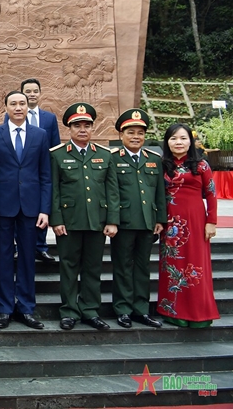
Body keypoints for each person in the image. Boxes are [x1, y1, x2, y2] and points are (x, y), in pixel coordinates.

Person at [50, 103, 119, 331]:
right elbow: (54, 190)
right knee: (68, 267)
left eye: (87, 126)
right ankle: (69, 311)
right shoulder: (58, 155)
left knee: (93, 268)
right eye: (77, 126)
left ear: (93, 128)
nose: (82, 130)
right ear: (69, 129)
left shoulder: (104, 155)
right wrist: (56, 220)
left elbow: (112, 190)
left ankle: (90, 310)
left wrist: (112, 220)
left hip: (97, 222)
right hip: (69, 222)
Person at [0, 91, 50, 330]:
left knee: (27, 259)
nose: (19, 107)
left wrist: (45, 209)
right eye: (14, 104)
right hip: (3, 205)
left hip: (31, 207)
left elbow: (45, 175)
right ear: (6, 108)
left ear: (28, 106)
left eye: (22, 103)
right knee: (2, 259)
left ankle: (26, 308)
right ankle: (3, 308)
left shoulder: (40, 135)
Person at [157, 123, 220, 328]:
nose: (178, 142)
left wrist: (211, 221)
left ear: (190, 141)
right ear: (167, 142)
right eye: (174, 138)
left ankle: (198, 313)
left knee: (196, 266)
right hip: (170, 223)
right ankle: (173, 312)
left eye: (183, 138)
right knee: (172, 266)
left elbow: (211, 194)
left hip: (195, 222)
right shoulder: (161, 164)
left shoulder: (201, 165)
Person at [110, 109, 165, 329]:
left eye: (140, 133)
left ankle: (141, 309)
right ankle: (123, 309)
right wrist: (112, 220)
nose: (135, 137)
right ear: (121, 135)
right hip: (123, 222)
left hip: (147, 222)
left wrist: (160, 219)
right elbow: (111, 192)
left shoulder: (154, 159)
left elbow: (159, 192)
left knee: (143, 267)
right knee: (122, 266)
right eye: (130, 132)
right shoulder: (113, 158)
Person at [20, 78, 61, 263]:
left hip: (42, 169)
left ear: (40, 93)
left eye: (35, 91)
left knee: (42, 209)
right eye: (27, 91)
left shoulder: (49, 118)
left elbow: (55, 146)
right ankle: (19, 247)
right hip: (23, 170)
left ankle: (41, 248)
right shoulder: (15, 116)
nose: (31, 94)